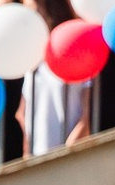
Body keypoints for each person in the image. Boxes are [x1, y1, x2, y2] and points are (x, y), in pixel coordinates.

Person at [19, 0, 91, 158]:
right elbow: (22, 113)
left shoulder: (77, 53)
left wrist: (67, 153)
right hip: (37, 158)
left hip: (71, 158)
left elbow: (87, 115)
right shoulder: (33, 60)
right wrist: (27, 153)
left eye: (32, 10)